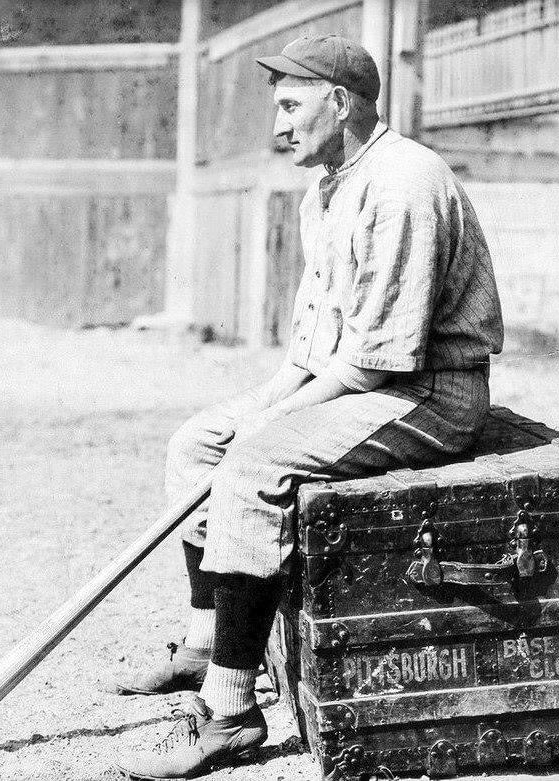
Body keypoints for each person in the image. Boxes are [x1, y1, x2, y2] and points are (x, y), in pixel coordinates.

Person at [114, 34, 503, 779]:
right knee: (200, 441)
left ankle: (230, 714)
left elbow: (375, 359)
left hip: (428, 392)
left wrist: (267, 429)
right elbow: (311, 347)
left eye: (291, 106)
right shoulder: (323, 185)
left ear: (341, 102)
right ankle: (205, 645)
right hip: (362, 380)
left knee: (255, 463)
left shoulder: (404, 182)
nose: (278, 126)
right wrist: (259, 405)